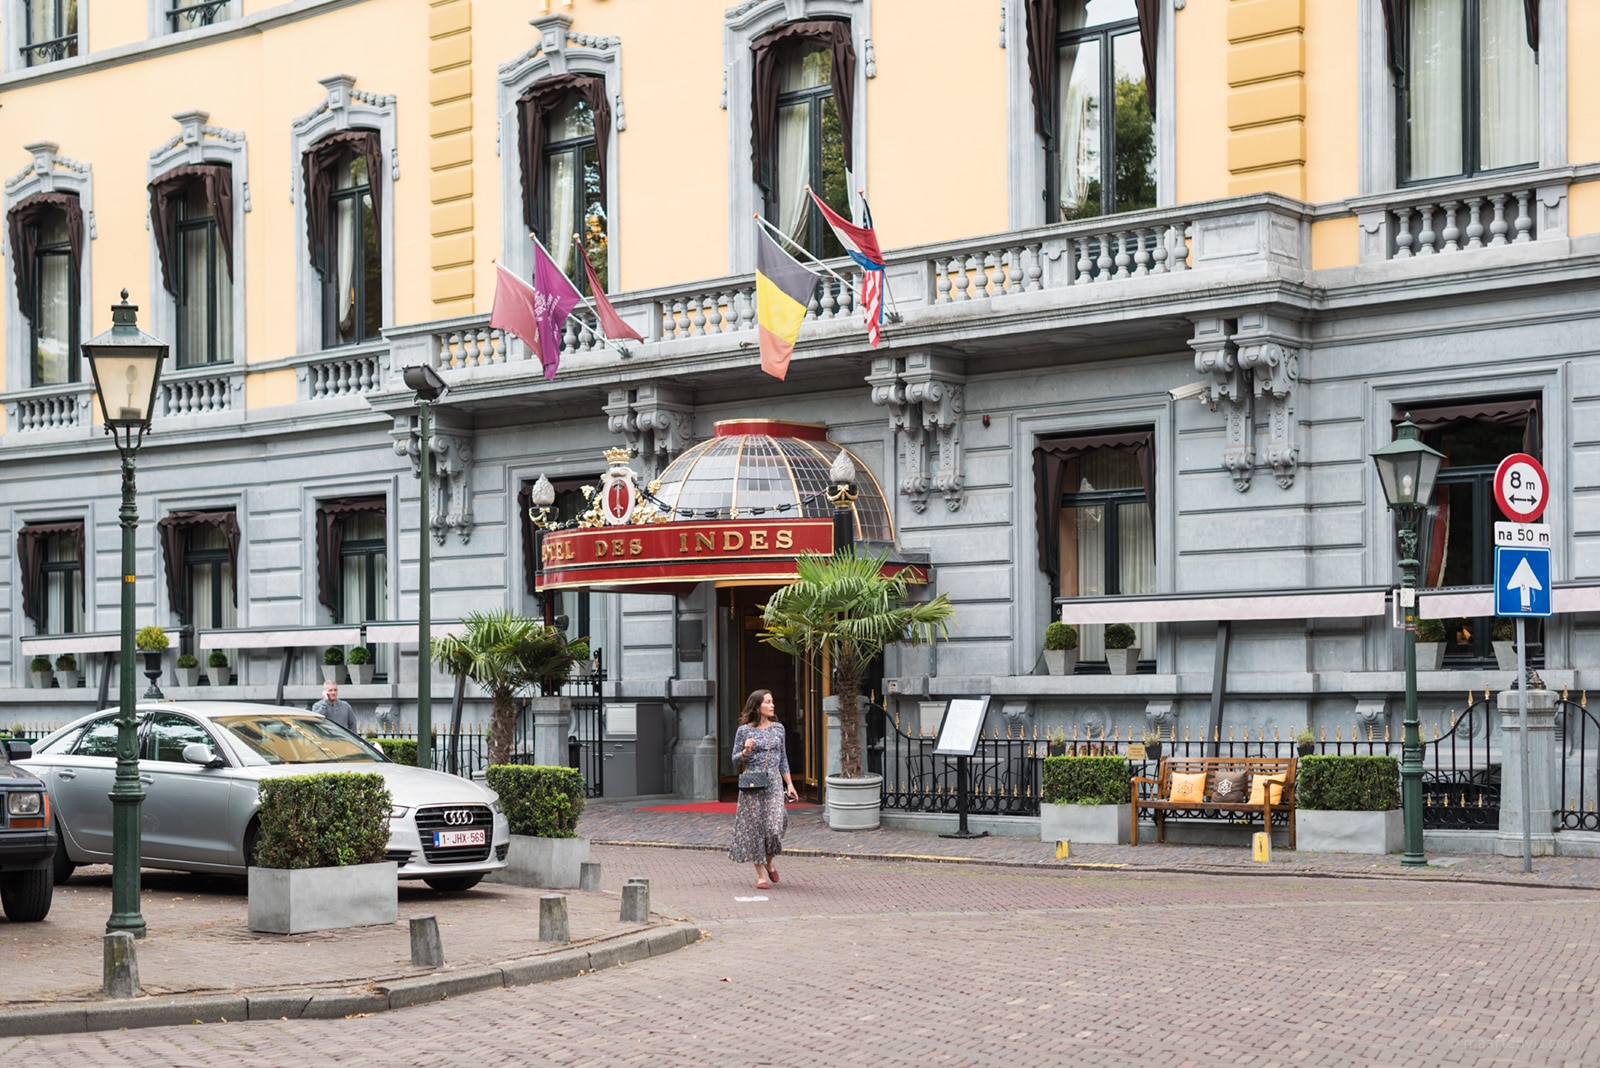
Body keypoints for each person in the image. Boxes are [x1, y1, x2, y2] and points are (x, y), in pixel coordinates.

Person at [729, 689, 798, 888]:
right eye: (767, 702)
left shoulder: (778, 729)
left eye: (772, 701)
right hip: (752, 783)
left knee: (775, 827)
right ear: (757, 706)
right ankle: (760, 875)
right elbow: (735, 760)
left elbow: (783, 758)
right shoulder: (744, 731)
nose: (772, 705)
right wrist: (745, 751)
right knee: (755, 829)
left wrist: (789, 784)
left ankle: (769, 861)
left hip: (774, 781)